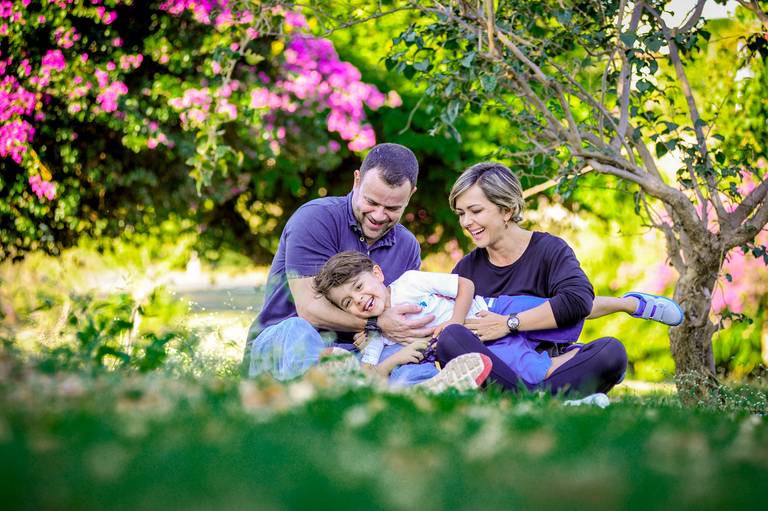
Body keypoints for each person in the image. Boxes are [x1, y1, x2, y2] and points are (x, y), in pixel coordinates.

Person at [434, 161, 683, 396]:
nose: (466, 222)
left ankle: (522, 397)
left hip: (550, 365)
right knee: (450, 339)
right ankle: (541, 397)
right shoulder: (466, 270)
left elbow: (579, 301)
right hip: (498, 369)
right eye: (460, 213)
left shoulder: (549, 250)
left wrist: (509, 323)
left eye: (475, 211)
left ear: (507, 210)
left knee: (611, 352)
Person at [313, 251, 681, 387]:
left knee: (562, 311)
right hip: (490, 343)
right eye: (348, 301)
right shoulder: (377, 335)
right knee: (532, 371)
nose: (359, 300)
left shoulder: (408, 282)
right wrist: (392, 357)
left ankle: (627, 304)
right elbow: (368, 374)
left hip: (495, 308)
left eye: (360, 287)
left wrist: (452, 324)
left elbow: (464, 285)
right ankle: (568, 369)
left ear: (377, 274)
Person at [244, 143, 438, 383]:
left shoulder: (408, 246)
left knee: (406, 355)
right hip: (285, 344)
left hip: (360, 353)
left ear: (410, 196)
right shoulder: (315, 218)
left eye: (392, 208)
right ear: (356, 180)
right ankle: (330, 390)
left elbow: (398, 319)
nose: (378, 215)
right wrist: (376, 323)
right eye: (371, 202)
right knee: (297, 330)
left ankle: (430, 390)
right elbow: (309, 310)